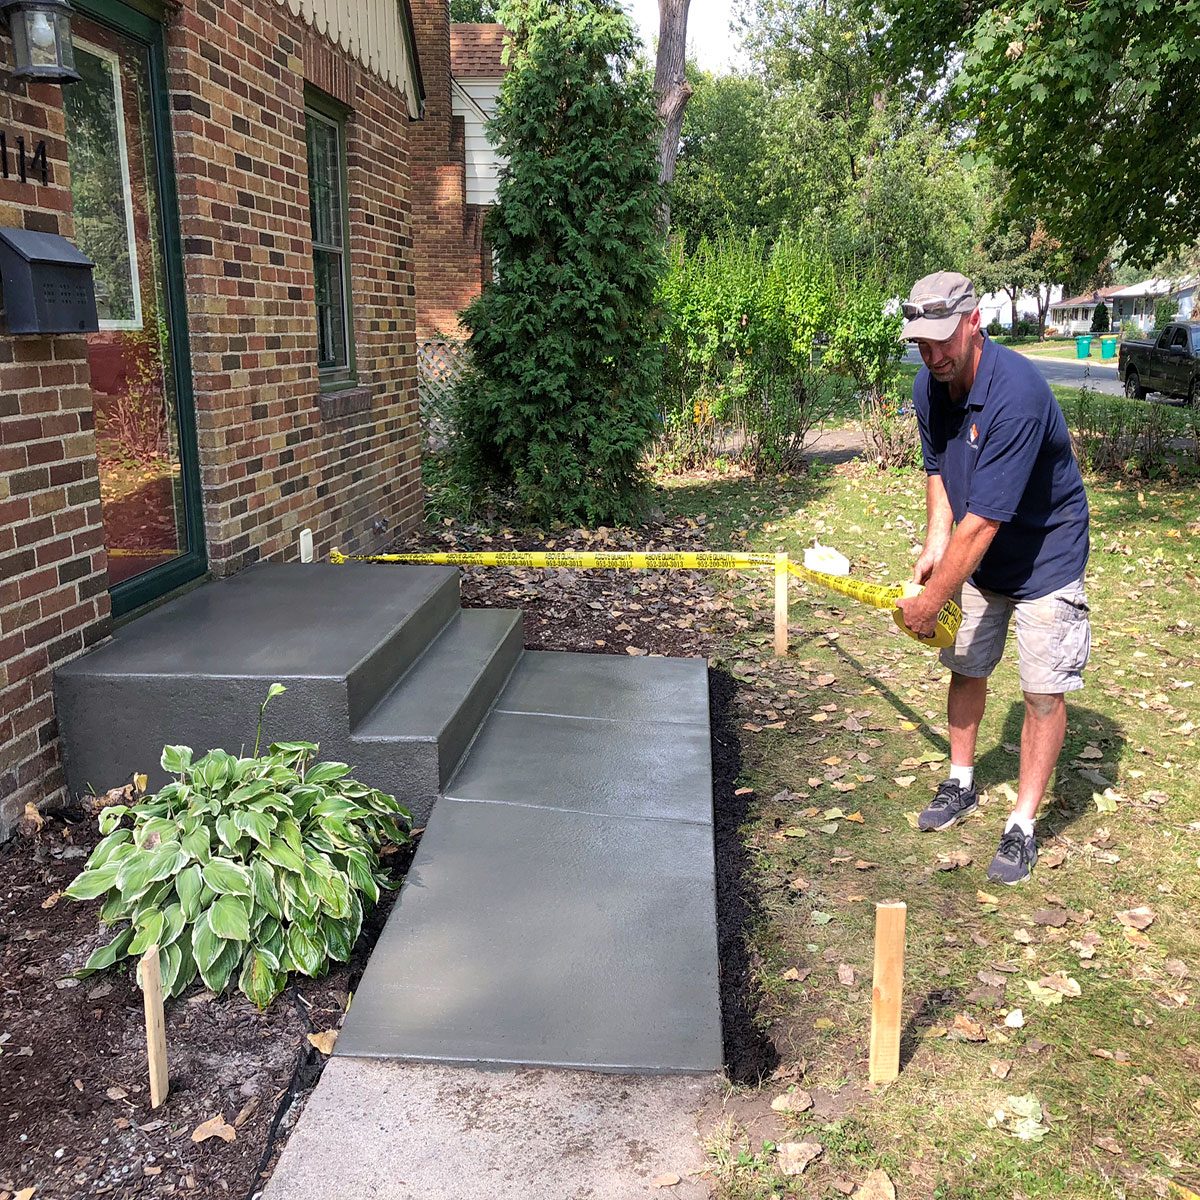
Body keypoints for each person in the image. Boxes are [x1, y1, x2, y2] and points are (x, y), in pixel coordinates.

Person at [894, 271, 1091, 885]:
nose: (932, 356)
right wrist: (933, 540)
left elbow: (981, 525)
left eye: (942, 341)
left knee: (1040, 690)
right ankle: (961, 781)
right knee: (968, 665)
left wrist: (931, 598)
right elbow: (938, 470)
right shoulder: (931, 384)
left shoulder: (1019, 395)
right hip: (979, 555)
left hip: (1044, 554)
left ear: (974, 323)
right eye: (921, 344)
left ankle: (1023, 823)